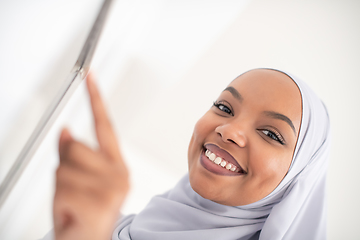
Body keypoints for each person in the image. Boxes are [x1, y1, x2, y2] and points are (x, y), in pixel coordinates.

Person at [47, 68, 330, 240]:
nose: (229, 130)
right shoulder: (106, 221)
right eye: (225, 108)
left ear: (297, 179)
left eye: (271, 134)